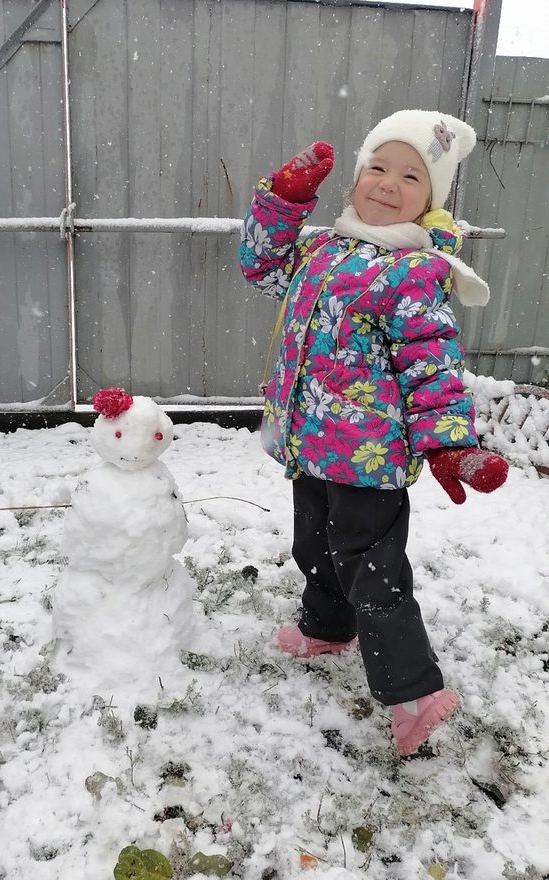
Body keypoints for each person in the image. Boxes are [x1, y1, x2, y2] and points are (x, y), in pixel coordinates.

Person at [238, 110, 509, 756]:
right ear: (357, 178)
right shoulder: (321, 249)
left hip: (370, 463)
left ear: (430, 200)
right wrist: (286, 195)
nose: (389, 183)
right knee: (317, 547)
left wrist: (449, 445)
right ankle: (327, 628)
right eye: (378, 168)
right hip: (311, 446)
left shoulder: (413, 275)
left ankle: (416, 693)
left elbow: (433, 364)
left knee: (373, 574)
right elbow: (259, 263)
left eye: (410, 176)